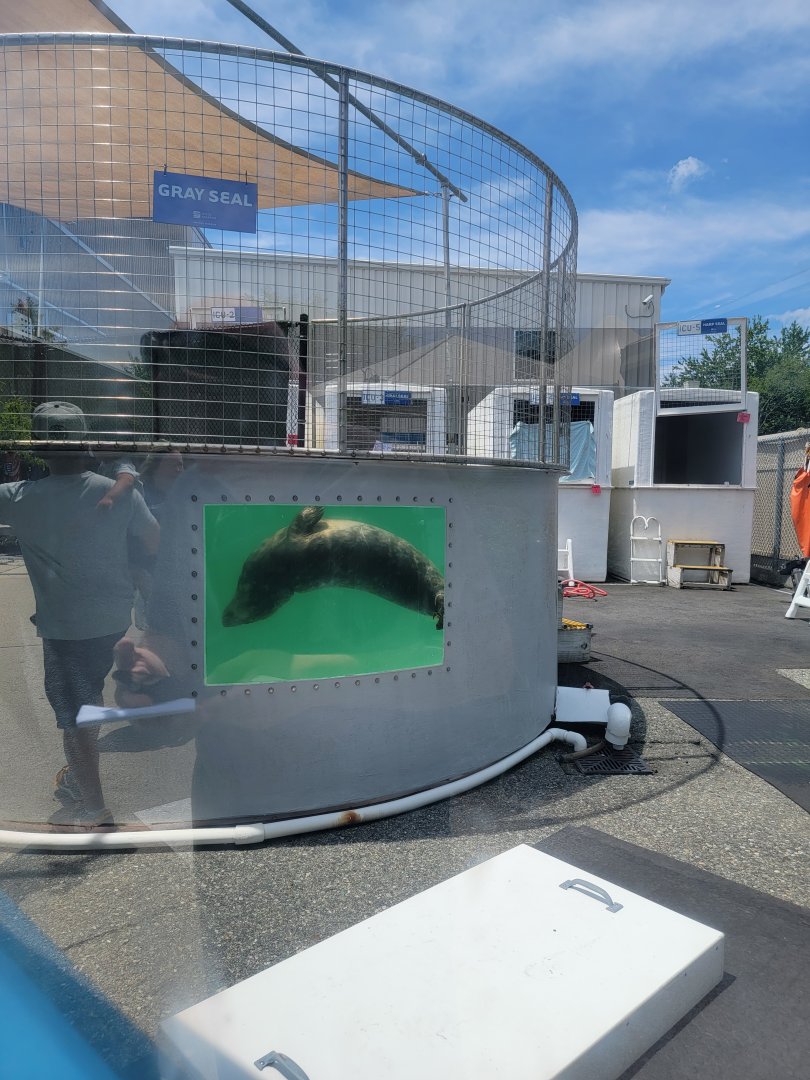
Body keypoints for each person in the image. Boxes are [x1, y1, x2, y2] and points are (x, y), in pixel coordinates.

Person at [0, 401, 159, 827]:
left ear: (38, 449)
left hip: (65, 628)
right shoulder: (119, 491)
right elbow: (152, 537)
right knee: (89, 693)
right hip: (112, 617)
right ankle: (81, 774)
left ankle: (94, 805)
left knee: (76, 715)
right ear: (86, 443)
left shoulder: (19, 499)